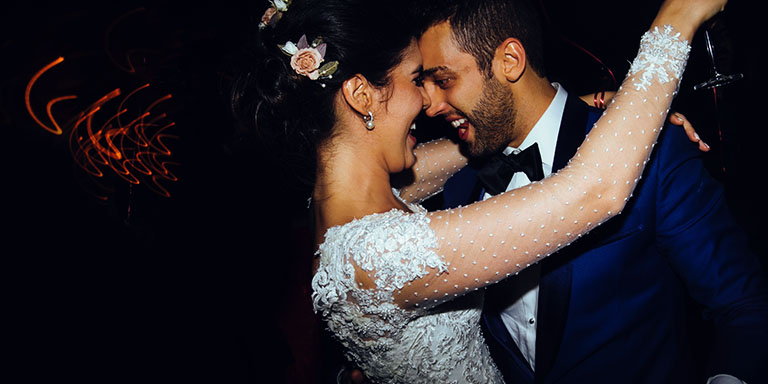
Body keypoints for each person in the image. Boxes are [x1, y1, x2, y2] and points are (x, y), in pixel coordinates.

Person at [232, 0, 731, 382]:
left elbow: (477, 146)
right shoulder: (376, 253)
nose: (427, 103)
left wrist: (595, 107)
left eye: (436, 80)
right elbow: (594, 190)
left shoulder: (347, 205)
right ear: (361, 94)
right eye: (416, 79)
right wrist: (676, 19)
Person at [413, 0, 768, 383]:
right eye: (423, 83)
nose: (429, 105)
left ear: (510, 61)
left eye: (444, 80)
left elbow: (743, 306)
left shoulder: (650, 150)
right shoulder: (460, 186)